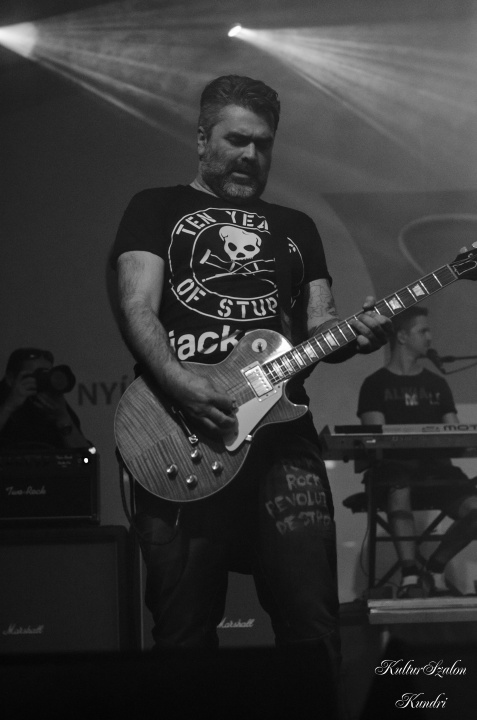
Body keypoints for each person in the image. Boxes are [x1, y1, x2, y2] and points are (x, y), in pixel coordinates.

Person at [111, 75, 390, 713]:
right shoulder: (156, 207)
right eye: (236, 140)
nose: (250, 155)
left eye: (263, 144)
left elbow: (321, 328)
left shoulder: (296, 226)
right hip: (178, 432)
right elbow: (136, 307)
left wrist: (359, 334)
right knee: (182, 632)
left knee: (313, 625)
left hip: (282, 442)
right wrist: (183, 383)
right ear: (202, 138)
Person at [358, 306, 477, 598]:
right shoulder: (375, 384)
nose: (430, 337)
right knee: (398, 483)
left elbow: (455, 433)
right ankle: (410, 574)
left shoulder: (437, 383)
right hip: (394, 474)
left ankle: (435, 567)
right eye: (423, 331)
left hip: (439, 473)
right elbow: (377, 438)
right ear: (401, 336)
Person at [0, 347, 89, 449]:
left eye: (47, 374)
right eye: (36, 375)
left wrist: (62, 417)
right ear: (11, 379)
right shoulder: (4, 399)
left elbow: (84, 455)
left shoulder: (53, 402)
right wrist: (9, 406)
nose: (41, 380)